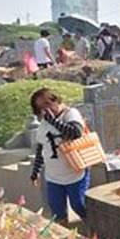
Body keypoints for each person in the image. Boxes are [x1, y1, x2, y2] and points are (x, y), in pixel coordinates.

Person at [29, 88, 91, 226]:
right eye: (40, 108)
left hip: (75, 173)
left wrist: (53, 122)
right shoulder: (44, 123)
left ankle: (94, 232)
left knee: (79, 205)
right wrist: (36, 171)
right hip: (53, 177)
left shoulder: (70, 114)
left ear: (55, 100)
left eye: (47, 104)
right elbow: (41, 148)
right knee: (57, 211)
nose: (45, 110)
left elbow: (76, 132)